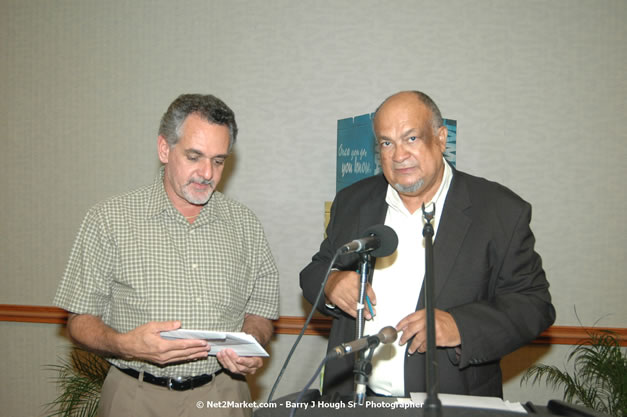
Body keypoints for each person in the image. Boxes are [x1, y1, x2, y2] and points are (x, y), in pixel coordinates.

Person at [300, 90, 555, 399]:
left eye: (411, 139)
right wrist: (332, 282)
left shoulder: (499, 210)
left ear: (441, 138)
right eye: (386, 142)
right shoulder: (353, 201)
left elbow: (533, 305)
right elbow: (314, 271)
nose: (398, 155)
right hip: (356, 400)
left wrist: (460, 326)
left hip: (449, 401)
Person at [54, 94, 279, 417]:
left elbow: (260, 310)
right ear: (164, 149)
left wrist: (251, 344)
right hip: (135, 396)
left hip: (223, 393)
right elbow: (78, 322)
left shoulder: (244, 224)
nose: (207, 173)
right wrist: (124, 344)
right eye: (194, 156)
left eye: (218, 160)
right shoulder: (109, 219)